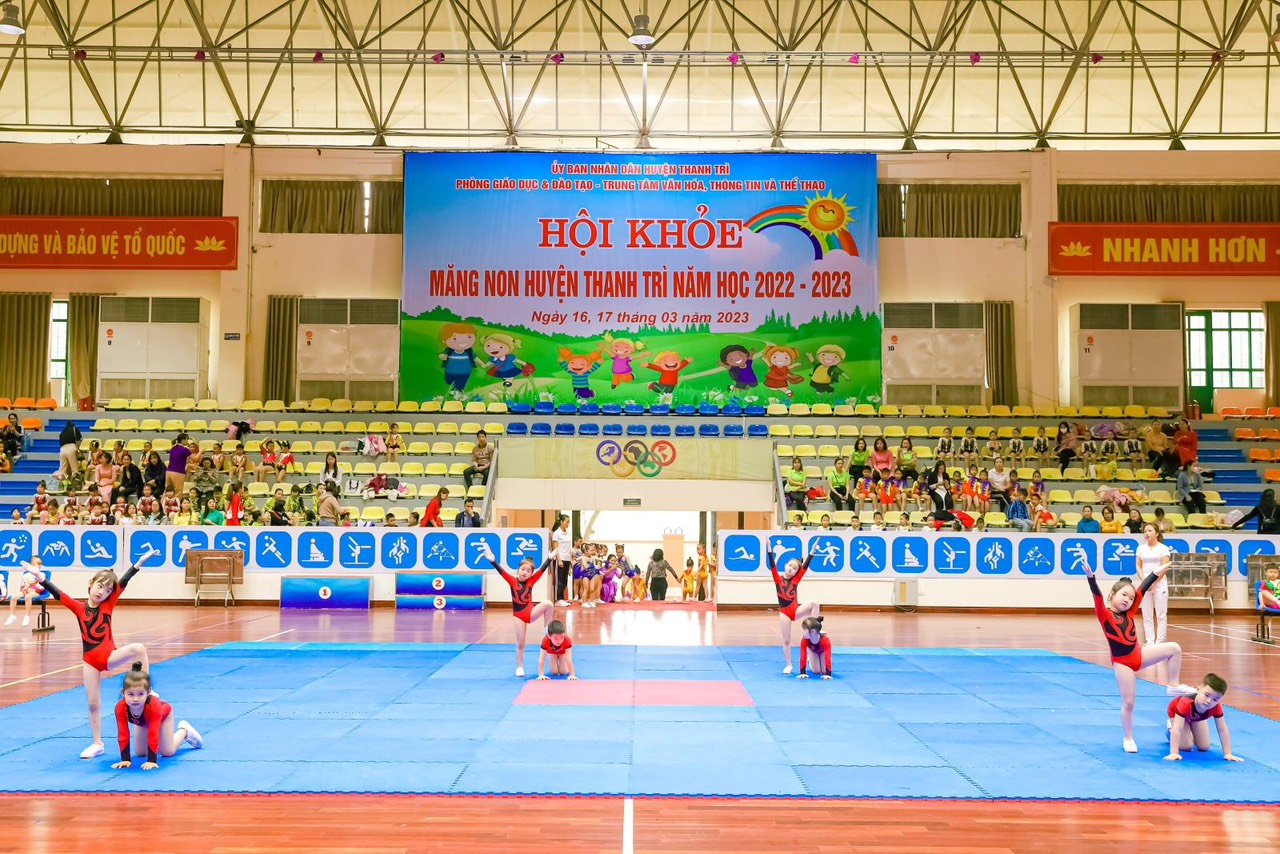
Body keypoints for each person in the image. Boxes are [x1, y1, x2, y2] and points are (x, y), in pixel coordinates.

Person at [1073, 546, 1195, 753]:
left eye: (1130, 598)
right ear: (1112, 595)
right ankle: (1128, 738)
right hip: (1123, 664)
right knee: (1129, 702)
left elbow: (1143, 589)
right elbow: (1097, 597)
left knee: (1174, 648)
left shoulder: (1130, 613)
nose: (1127, 600)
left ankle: (1173, 685)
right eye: (1123, 595)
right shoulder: (1105, 615)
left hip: (1139, 655)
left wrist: (1157, 571)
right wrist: (1091, 578)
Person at [33, 561, 151, 758]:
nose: (102, 592)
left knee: (139, 648)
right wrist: (41, 578)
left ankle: (147, 689)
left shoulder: (108, 605)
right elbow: (59, 594)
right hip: (90, 662)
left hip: (110, 657)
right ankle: (97, 743)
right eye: (100, 586)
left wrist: (138, 564)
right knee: (93, 703)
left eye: (107, 590)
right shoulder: (79, 608)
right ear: (91, 583)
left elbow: (124, 581)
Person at [111, 663, 203, 771]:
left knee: (167, 752)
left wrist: (152, 760)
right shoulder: (120, 707)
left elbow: (153, 732)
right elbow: (123, 734)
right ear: (123, 693)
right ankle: (160, 743)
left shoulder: (154, 705)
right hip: (142, 721)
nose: (135, 699)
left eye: (140, 694)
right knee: (140, 753)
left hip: (163, 716)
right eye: (131, 694)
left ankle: (184, 731)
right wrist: (125, 759)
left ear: (148, 692)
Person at [481, 541, 553, 677]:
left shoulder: (531, 581)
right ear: (518, 570)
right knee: (521, 642)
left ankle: (547, 629)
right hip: (519, 616)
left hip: (531, 613)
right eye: (523, 569)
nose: (525, 573)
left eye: (528, 571)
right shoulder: (512, 581)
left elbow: (542, 570)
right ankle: (519, 666)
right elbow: (501, 571)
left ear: (531, 574)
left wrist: (549, 558)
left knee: (549, 604)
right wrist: (493, 561)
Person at [767, 539, 819, 675]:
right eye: (790, 565)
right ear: (785, 565)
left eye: (795, 568)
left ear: (797, 573)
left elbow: (805, 567)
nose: (791, 569)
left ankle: (814, 630)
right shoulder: (777, 579)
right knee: (786, 640)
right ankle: (789, 664)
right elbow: (772, 565)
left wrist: (812, 552)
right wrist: (769, 549)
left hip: (796, 610)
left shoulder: (796, 580)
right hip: (784, 613)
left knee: (815, 603)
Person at [1165, 674, 1242, 763]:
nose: (1209, 701)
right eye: (1206, 695)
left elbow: (1222, 729)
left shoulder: (1216, 707)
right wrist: (1174, 752)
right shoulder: (1185, 703)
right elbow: (1178, 729)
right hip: (1178, 714)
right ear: (1198, 689)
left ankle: (1188, 729)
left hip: (1196, 717)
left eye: (1215, 699)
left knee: (1204, 747)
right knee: (1186, 746)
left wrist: (1228, 753)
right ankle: (1170, 729)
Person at [1136, 522, 1173, 681]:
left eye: (1150, 530)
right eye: (1145, 531)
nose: (1147, 533)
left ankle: (1160, 642)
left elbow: (1164, 568)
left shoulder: (1163, 549)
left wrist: (1154, 582)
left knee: (1161, 614)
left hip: (1159, 585)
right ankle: (1150, 642)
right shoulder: (1140, 548)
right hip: (1145, 584)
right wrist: (1145, 582)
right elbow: (1139, 566)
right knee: (1147, 614)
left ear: (1156, 533)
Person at [4, 558, 43, 627]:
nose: (37, 566)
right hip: (26, 591)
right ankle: (12, 615)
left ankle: (27, 616)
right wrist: (24, 590)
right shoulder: (26, 575)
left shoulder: (41, 575)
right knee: (13, 597)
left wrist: (34, 590)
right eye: (34, 565)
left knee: (28, 597)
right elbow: (23, 586)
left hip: (36, 592)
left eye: (39, 565)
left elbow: (43, 587)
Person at [552, 515, 573, 606]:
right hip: (560, 558)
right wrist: (559, 560)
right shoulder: (556, 533)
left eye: (569, 522)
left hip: (567, 558)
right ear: (561, 522)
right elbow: (555, 548)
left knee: (565, 580)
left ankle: (562, 598)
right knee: (560, 580)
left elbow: (569, 547)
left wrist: (571, 560)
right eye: (566, 522)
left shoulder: (568, 533)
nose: (568, 524)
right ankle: (559, 599)